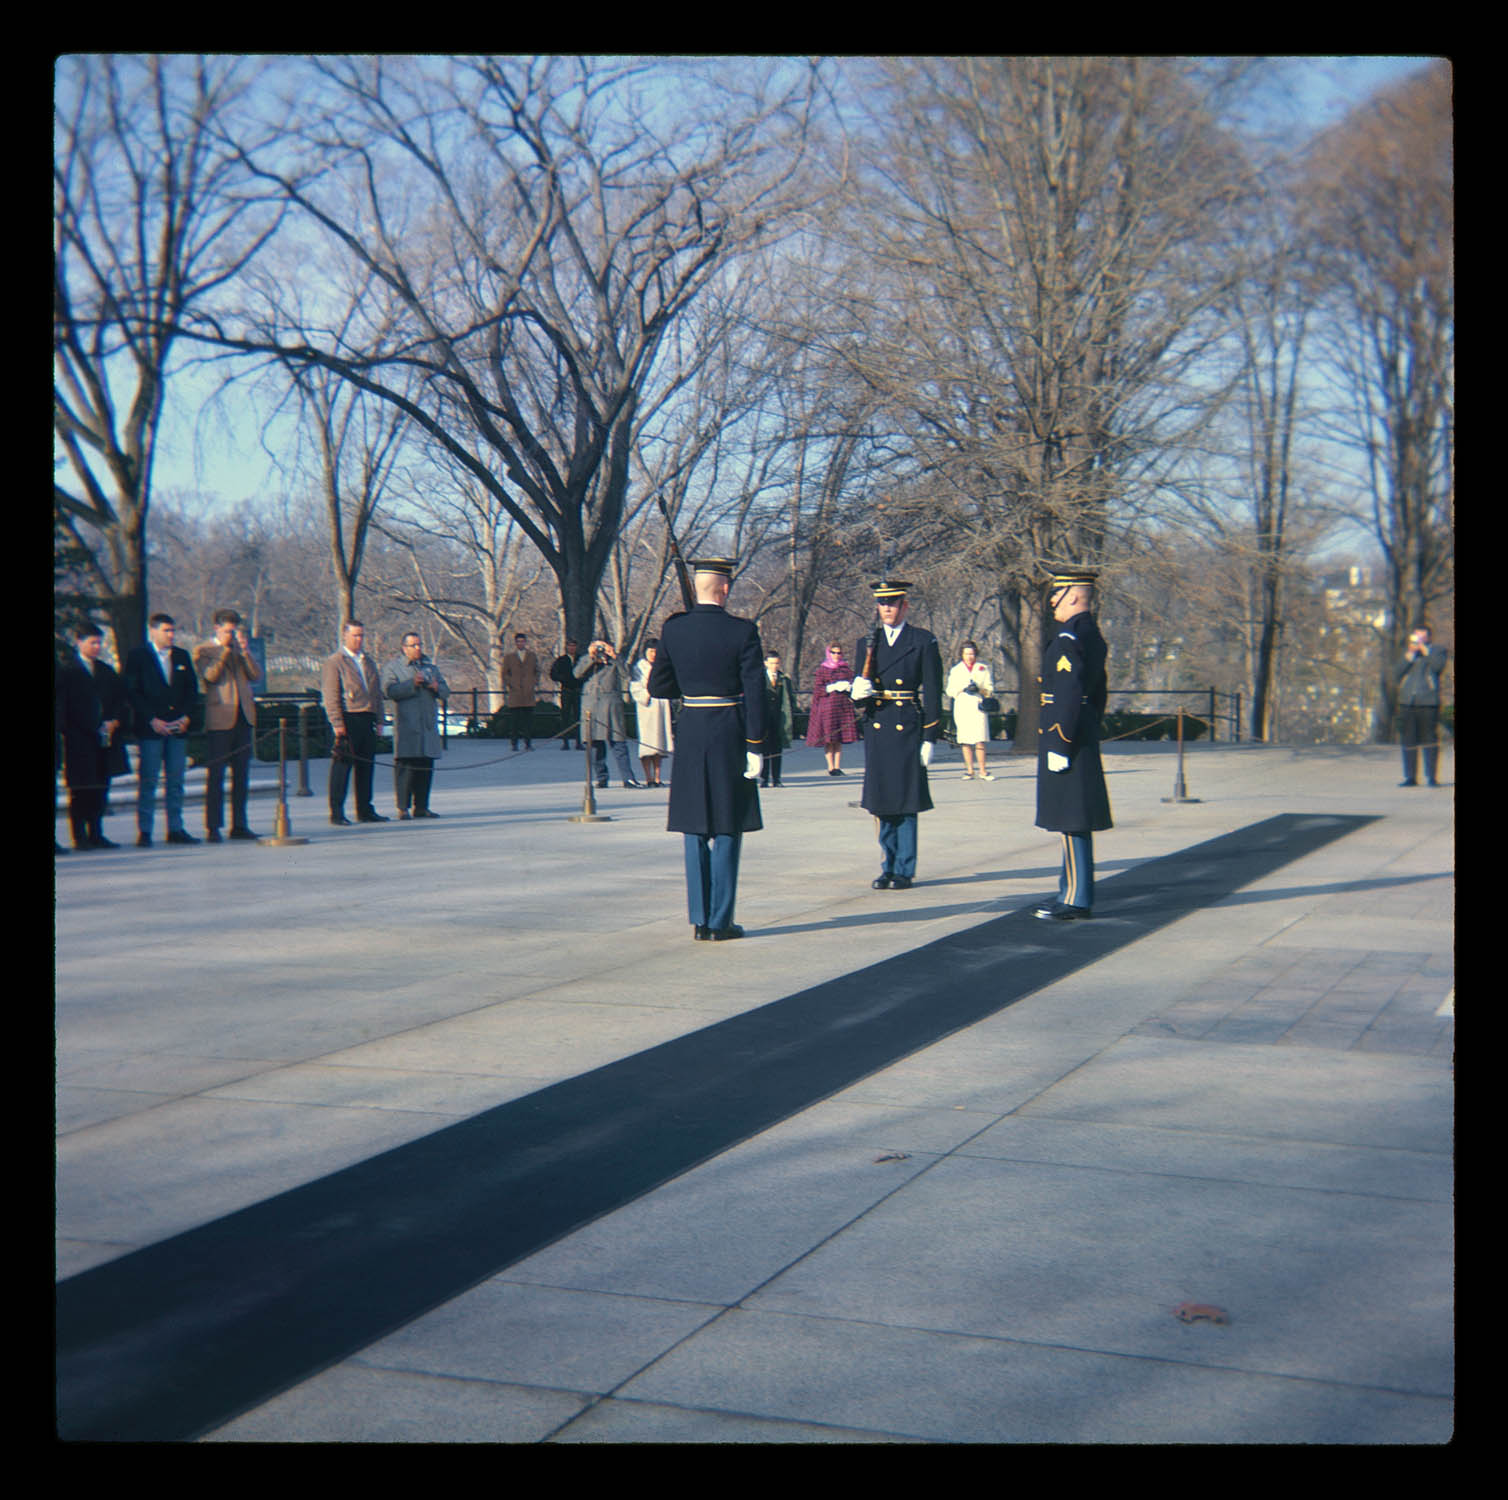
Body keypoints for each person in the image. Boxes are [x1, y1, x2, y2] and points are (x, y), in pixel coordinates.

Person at [648, 556, 766, 940]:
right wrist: (756, 744)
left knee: (695, 827)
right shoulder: (742, 631)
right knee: (728, 825)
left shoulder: (674, 629)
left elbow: (658, 686)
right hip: (729, 731)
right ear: (725, 588)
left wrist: (690, 680)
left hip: (692, 731)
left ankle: (700, 919)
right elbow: (755, 692)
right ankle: (721, 921)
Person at [851, 581, 943, 889]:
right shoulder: (867, 642)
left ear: (905, 605)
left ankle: (904, 868)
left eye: (893, 603)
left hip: (907, 726)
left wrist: (930, 736)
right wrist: (857, 693)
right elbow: (861, 690)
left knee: (905, 801)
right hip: (878, 725)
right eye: (882, 603)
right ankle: (887, 865)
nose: (887, 609)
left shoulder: (922, 640)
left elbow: (933, 691)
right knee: (881, 801)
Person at [1034, 568, 1113, 921]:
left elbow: (1068, 694)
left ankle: (1077, 899)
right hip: (1081, 732)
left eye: (1058, 592)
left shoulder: (1069, 637)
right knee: (1071, 821)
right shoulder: (1089, 633)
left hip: (1068, 738)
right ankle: (1070, 891)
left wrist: (1060, 742)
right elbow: (1098, 694)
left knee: (1073, 820)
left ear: (1075, 596)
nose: (1052, 599)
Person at [123, 613, 201, 847]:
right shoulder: (138, 656)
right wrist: (151, 719)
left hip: (177, 727)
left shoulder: (181, 656)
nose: (171, 635)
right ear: (153, 631)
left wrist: (186, 716)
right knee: (149, 780)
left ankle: (175, 828)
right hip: (151, 729)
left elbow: (191, 690)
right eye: (166, 630)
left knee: (175, 781)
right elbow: (132, 691)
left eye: (172, 630)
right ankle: (145, 830)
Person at [56, 623, 130, 850]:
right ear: (79, 642)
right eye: (92, 643)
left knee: (101, 787)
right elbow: (64, 706)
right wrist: (85, 726)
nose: (97, 647)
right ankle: (79, 836)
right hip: (79, 740)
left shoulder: (106, 671)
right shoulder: (68, 671)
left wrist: (114, 720)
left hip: (104, 739)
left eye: (99, 643)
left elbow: (120, 700)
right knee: (81, 789)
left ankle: (97, 832)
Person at [193, 609, 262, 842]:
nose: (231, 636)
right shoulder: (204, 650)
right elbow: (210, 677)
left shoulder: (239, 652)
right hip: (220, 719)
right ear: (217, 629)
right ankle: (213, 826)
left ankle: (239, 824)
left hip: (243, 718)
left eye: (234, 631)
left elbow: (256, 675)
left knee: (241, 775)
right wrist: (223, 650)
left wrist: (245, 652)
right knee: (216, 776)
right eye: (227, 631)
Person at [322, 620, 388, 825]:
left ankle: (365, 809)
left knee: (366, 767)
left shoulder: (368, 661)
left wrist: (380, 719)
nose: (359, 639)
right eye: (355, 635)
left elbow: (376, 693)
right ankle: (337, 812)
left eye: (361, 635)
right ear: (345, 636)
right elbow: (331, 695)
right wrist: (337, 723)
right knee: (342, 767)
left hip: (367, 716)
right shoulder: (335, 662)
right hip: (348, 717)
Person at [384, 631, 449, 819]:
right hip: (406, 726)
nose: (418, 648)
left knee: (425, 768)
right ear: (404, 648)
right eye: (414, 645)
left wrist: (436, 688)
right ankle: (402, 808)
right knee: (406, 769)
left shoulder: (431, 668)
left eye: (420, 644)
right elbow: (389, 691)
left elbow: (446, 691)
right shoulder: (393, 668)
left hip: (427, 727)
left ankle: (421, 806)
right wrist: (412, 683)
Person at [575, 639, 641, 788]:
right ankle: (601, 777)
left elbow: (628, 674)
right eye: (597, 646)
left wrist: (615, 656)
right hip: (591, 706)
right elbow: (577, 674)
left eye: (602, 646)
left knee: (618, 744)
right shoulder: (586, 659)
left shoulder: (614, 660)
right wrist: (591, 657)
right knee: (594, 745)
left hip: (611, 706)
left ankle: (628, 778)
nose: (600, 650)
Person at [1397, 624, 1448, 788]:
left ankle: (1432, 777)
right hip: (1408, 701)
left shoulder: (1438, 651)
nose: (1419, 640)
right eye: (1416, 636)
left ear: (1428, 638)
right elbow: (1397, 672)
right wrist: (1410, 655)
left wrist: (1426, 651)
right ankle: (1410, 777)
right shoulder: (1409, 652)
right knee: (1409, 739)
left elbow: (1438, 667)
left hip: (1428, 701)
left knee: (1429, 739)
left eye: (1422, 637)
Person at [806, 640, 860, 776]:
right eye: (833, 652)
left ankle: (837, 766)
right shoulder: (823, 670)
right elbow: (818, 690)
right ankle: (830, 767)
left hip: (842, 707)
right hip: (827, 707)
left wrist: (849, 686)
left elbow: (854, 683)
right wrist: (832, 687)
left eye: (839, 653)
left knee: (839, 738)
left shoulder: (846, 669)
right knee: (829, 739)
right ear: (828, 653)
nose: (836, 655)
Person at [947, 641, 996, 781]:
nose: (970, 657)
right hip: (963, 706)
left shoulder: (982, 668)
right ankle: (969, 770)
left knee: (980, 739)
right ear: (962, 655)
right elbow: (949, 690)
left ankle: (983, 770)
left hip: (978, 706)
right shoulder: (956, 670)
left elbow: (990, 689)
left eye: (972, 654)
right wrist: (963, 688)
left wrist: (980, 689)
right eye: (967, 654)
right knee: (965, 740)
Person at [630, 637, 674, 787]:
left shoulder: (663, 666)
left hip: (661, 706)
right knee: (646, 744)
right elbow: (635, 688)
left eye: (656, 651)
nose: (653, 654)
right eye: (650, 651)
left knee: (659, 743)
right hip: (646, 708)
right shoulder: (639, 667)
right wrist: (648, 693)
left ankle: (657, 777)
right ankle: (648, 777)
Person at [759, 652, 797, 787]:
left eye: (777, 663)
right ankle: (764, 778)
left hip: (779, 718)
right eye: (772, 663)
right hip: (764, 718)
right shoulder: (760, 678)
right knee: (764, 749)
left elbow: (790, 699)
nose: (774, 666)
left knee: (777, 749)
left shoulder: (784, 679)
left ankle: (776, 778)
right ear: (766, 663)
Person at [500, 631, 539, 751]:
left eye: (522, 641)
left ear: (525, 642)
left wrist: (533, 682)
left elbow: (537, 671)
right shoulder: (509, 657)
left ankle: (528, 743)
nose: (520, 643)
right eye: (518, 641)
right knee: (514, 721)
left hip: (528, 693)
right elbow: (504, 673)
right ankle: (514, 743)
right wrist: (511, 683)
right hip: (515, 692)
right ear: (515, 643)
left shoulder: (532, 656)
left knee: (528, 721)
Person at [550, 639, 583, 750]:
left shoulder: (581, 660)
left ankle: (579, 741)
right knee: (565, 716)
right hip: (566, 690)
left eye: (574, 646)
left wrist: (581, 681)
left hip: (578, 690)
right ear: (567, 647)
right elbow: (553, 674)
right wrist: (563, 679)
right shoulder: (561, 660)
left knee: (578, 717)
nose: (572, 648)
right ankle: (565, 742)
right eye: (570, 646)